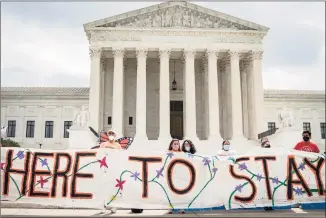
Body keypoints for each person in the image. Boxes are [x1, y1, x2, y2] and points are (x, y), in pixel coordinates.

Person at [99, 129, 121, 214]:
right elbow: (99, 154)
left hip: (113, 168)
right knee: (103, 187)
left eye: (113, 133)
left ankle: (113, 205)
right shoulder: (103, 144)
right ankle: (103, 206)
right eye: (109, 133)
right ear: (107, 135)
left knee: (113, 188)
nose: (111, 134)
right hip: (105, 169)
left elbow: (120, 156)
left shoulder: (118, 145)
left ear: (115, 135)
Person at [167, 139, 185, 214]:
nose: (176, 145)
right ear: (171, 145)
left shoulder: (182, 153)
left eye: (177, 144)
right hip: (170, 175)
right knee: (170, 193)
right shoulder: (167, 153)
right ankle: (170, 208)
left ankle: (181, 208)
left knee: (180, 192)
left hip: (179, 175)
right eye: (174, 144)